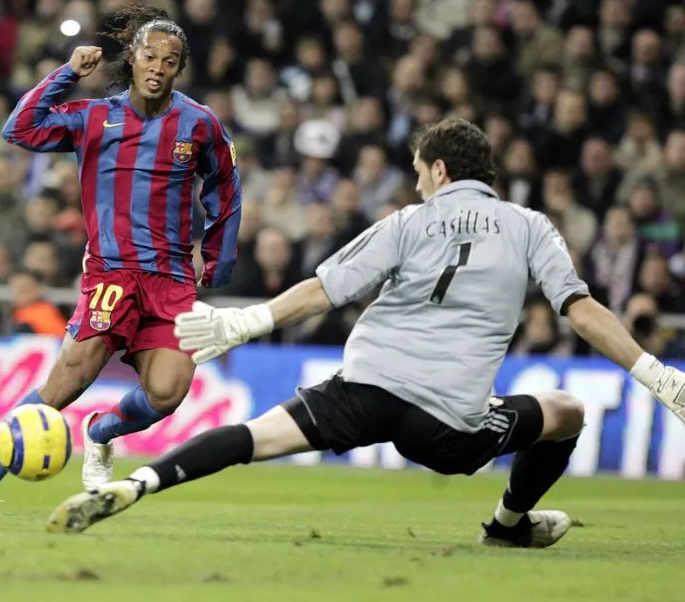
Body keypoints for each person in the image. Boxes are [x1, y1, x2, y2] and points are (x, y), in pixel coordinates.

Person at [47, 117, 685, 548]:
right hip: (448, 423)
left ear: (437, 171)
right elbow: (581, 309)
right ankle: (508, 525)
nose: (415, 182)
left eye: (416, 171)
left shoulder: (408, 222)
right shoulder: (531, 227)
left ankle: (138, 483)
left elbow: (327, 288)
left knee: (252, 437)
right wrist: (655, 373)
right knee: (567, 412)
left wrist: (246, 321)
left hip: (366, 387)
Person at [0, 4, 242, 515]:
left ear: (179, 68)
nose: (157, 67)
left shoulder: (200, 124)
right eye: (148, 56)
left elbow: (226, 189)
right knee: (68, 378)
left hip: (171, 280)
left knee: (168, 392)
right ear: (131, 58)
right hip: (112, 272)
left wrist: (215, 258)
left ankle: (102, 431)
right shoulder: (95, 117)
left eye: (168, 61)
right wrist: (66, 75)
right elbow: (19, 130)